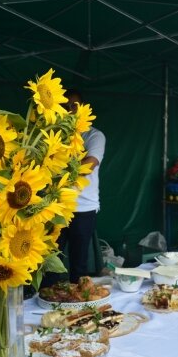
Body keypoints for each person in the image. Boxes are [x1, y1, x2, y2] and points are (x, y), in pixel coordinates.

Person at [57, 89, 105, 283]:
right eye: (64, 106)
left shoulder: (94, 136)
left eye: (73, 106)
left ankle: (78, 307)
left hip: (83, 207)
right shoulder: (55, 135)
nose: (69, 110)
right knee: (50, 259)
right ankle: (48, 300)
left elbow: (88, 165)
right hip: (56, 206)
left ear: (82, 109)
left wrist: (56, 172)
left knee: (79, 263)